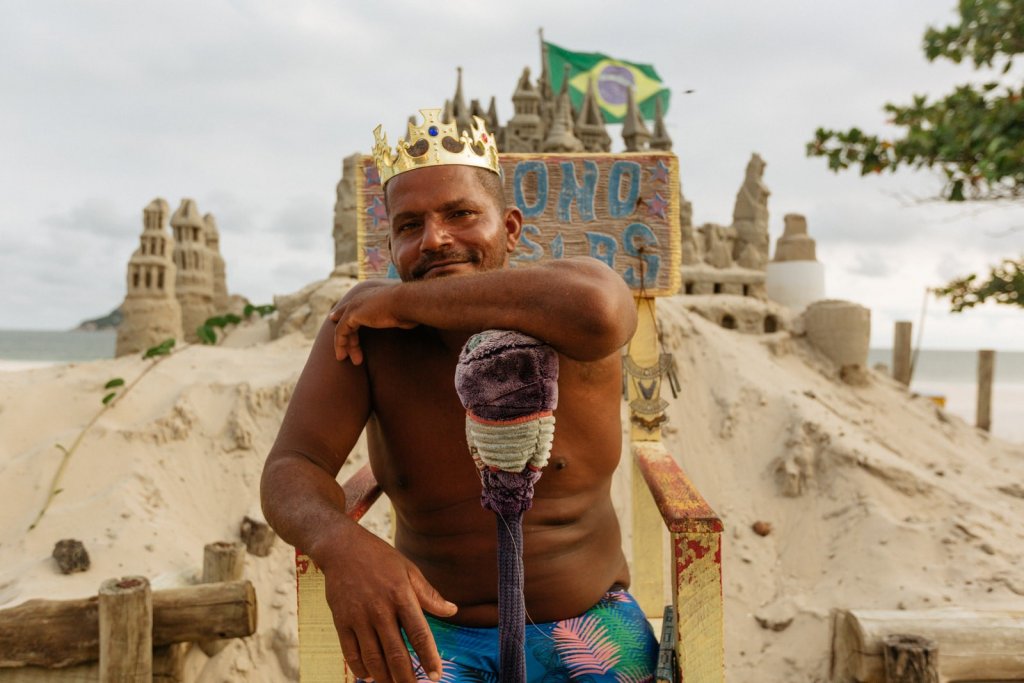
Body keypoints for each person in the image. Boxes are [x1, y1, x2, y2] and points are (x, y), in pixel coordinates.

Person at [260, 110, 656, 682]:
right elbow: (293, 464)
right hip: (435, 632)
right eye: (408, 226)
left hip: (584, 623)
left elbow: (602, 311)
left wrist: (404, 301)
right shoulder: (365, 334)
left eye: (461, 214)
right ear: (391, 242)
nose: (435, 239)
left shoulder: (563, 306)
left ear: (512, 229)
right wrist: (338, 541)